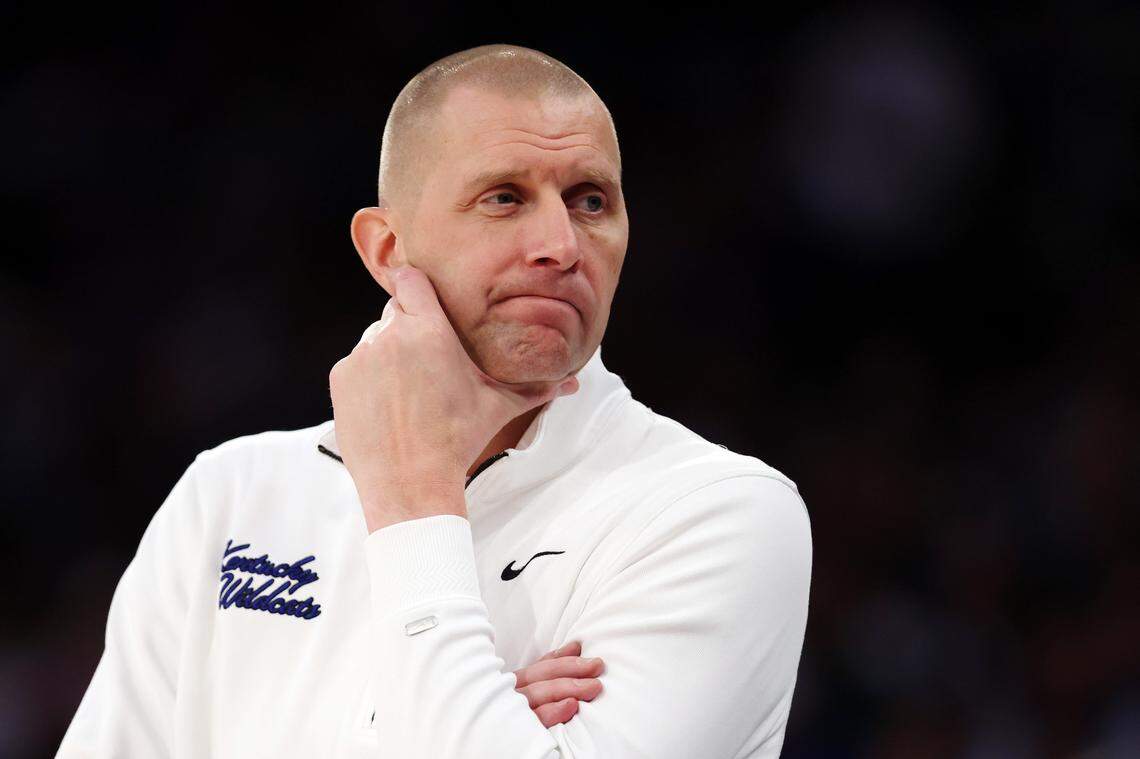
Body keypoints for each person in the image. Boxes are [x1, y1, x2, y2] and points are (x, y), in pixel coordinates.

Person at [56, 43, 813, 758]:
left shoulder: (717, 513)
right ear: (387, 249)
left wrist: (412, 492)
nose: (560, 244)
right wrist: (485, 722)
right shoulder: (229, 496)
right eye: (504, 197)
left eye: (589, 200)